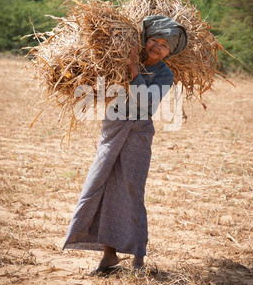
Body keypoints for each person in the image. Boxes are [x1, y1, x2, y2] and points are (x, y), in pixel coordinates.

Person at [62, 15, 188, 271]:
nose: (157, 47)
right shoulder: (117, 58)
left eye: (164, 45)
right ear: (145, 40)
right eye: (154, 40)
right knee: (101, 183)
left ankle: (138, 255)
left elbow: (146, 103)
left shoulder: (165, 75)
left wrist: (133, 70)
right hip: (113, 127)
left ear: (169, 52)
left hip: (138, 132)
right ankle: (109, 255)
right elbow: (96, 82)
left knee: (131, 189)